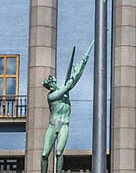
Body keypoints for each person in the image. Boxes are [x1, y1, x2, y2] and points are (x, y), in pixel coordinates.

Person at [41, 40, 94, 173]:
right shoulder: (52, 96)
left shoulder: (64, 94)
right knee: (44, 154)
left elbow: (74, 81)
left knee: (59, 153)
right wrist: (74, 74)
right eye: (50, 84)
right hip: (52, 126)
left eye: (52, 82)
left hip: (64, 124)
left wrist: (82, 63)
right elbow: (69, 85)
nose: (52, 84)